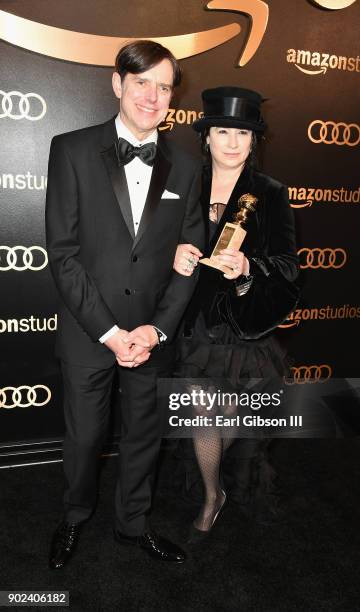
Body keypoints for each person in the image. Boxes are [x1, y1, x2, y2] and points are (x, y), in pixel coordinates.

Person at [45, 40, 204, 568]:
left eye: (164, 87)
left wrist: (156, 332)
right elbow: (64, 255)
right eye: (142, 83)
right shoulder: (70, 149)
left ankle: (133, 525)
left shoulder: (186, 164)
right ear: (118, 83)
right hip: (91, 332)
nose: (153, 97)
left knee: (144, 438)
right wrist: (111, 334)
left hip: (154, 336)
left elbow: (189, 260)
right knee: (86, 438)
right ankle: (74, 515)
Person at [172, 87, 299, 540]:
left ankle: (224, 486)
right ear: (205, 137)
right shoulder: (183, 182)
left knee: (227, 416)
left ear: (253, 141)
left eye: (241, 133)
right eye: (221, 131)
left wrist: (249, 266)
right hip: (191, 321)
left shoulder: (270, 193)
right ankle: (212, 495)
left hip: (242, 324)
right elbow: (152, 245)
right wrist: (175, 255)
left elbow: (288, 265)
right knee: (205, 413)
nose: (231, 141)